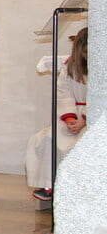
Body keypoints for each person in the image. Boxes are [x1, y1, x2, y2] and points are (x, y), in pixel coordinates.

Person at [26, 27, 87, 200]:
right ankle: (50, 185)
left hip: (96, 117)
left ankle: (80, 191)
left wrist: (85, 119)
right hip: (73, 114)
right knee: (48, 137)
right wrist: (70, 118)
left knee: (81, 143)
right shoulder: (70, 66)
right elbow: (63, 92)